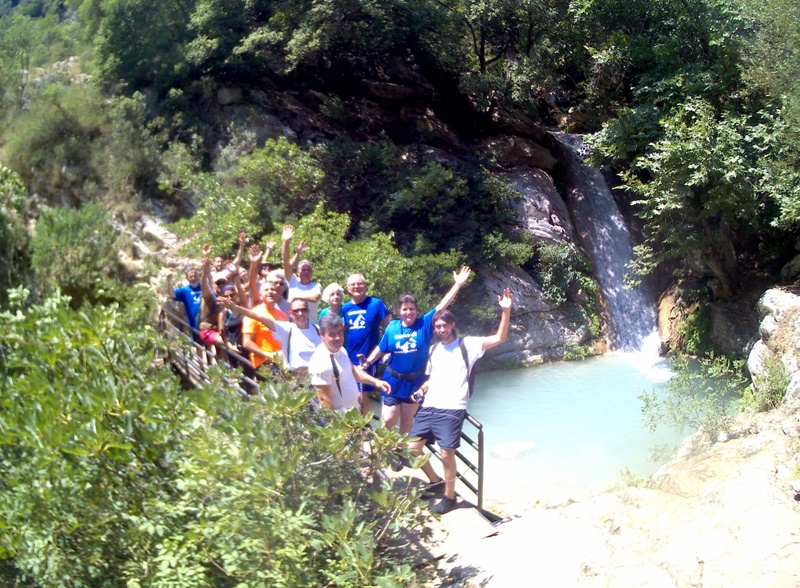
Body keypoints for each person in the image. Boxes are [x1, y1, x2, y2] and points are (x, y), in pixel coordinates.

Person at [410, 288, 513, 515]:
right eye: (437, 327)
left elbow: (499, 338)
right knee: (411, 448)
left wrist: (506, 311)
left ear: (453, 325)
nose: (441, 330)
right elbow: (430, 379)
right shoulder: (434, 349)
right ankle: (435, 481)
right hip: (429, 406)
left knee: (446, 453)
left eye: (444, 326)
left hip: (452, 408)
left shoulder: (468, 345)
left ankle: (450, 497)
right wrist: (420, 390)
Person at [364, 267, 472, 437]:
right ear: (400, 311)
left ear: (416, 310)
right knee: (388, 420)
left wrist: (457, 285)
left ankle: (401, 456)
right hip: (392, 380)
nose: (408, 312)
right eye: (405, 309)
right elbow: (381, 348)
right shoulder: (392, 327)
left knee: (407, 422)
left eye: (411, 309)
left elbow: (443, 305)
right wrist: (368, 362)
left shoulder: (425, 324)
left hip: (415, 382)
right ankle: (384, 453)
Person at [220, 296, 322, 378]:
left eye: (303, 310)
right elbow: (258, 317)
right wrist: (235, 308)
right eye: (296, 311)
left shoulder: (318, 330)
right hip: (298, 379)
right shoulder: (286, 329)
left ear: (308, 311)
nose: (300, 313)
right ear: (291, 314)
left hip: (320, 378)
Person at [308, 314, 391, 414]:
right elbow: (325, 402)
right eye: (332, 334)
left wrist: (375, 382)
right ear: (322, 335)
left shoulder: (341, 349)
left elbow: (352, 370)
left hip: (353, 417)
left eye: (340, 332)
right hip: (341, 423)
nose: (338, 338)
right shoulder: (320, 362)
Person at [342, 274, 392, 392]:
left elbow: (390, 328)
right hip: (350, 358)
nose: (356, 287)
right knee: (351, 393)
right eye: (353, 284)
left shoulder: (376, 303)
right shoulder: (345, 308)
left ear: (365, 286)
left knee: (364, 395)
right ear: (348, 288)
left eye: (359, 284)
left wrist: (386, 351)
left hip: (369, 359)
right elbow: (340, 330)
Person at [281, 225, 322, 324]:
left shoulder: (316, 286)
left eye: (309, 270)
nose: (306, 272)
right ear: (298, 272)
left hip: (311, 325)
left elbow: (315, 298)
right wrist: (286, 242)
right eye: (303, 270)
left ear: (312, 273)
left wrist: (297, 297)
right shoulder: (292, 281)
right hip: (293, 325)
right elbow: (286, 263)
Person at [165, 267, 203, 334]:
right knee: (196, 342)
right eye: (191, 276)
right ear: (187, 278)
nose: (193, 278)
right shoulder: (185, 290)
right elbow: (172, 294)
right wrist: (169, 281)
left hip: (206, 321)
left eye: (195, 275)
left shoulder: (204, 287)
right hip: (193, 323)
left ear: (198, 276)